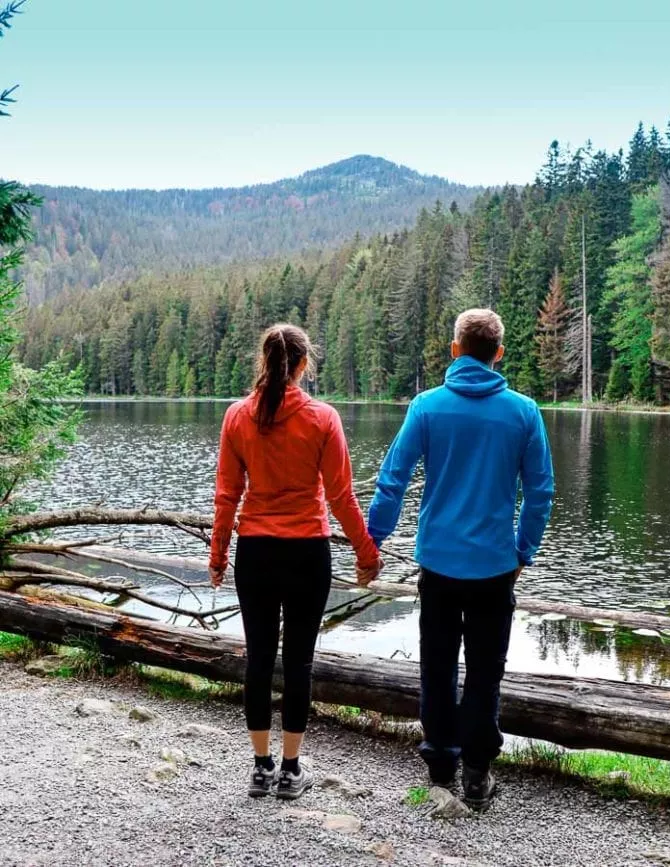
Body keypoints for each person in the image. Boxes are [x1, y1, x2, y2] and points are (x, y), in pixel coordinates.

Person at [367, 309, 554, 810]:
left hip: (440, 563)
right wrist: (523, 550)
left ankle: (440, 766)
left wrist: (374, 538)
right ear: (498, 353)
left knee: (438, 664)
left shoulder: (427, 407)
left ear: (455, 350)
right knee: (486, 670)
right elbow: (540, 492)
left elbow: (393, 479)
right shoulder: (523, 412)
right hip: (495, 566)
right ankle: (477, 773)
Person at [209, 324, 381, 801]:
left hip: (256, 553)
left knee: (260, 660)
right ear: (303, 365)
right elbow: (342, 497)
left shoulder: (237, 417)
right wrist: (367, 553)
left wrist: (219, 553)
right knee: (300, 662)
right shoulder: (322, 418)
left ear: (264, 362)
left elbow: (227, 496)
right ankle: (290, 770)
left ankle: (260, 768)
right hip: (307, 552)